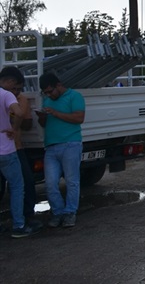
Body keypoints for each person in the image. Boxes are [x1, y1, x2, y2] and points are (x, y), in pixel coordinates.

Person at [37, 72, 85, 228]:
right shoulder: (47, 100)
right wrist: (43, 117)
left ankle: (70, 212)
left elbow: (79, 118)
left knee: (72, 181)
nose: (49, 95)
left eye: (50, 91)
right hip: (51, 146)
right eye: (46, 93)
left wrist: (55, 113)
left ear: (58, 85)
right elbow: (44, 124)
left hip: (71, 144)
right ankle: (57, 212)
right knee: (50, 184)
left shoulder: (74, 96)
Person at [0, 68, 43, 238]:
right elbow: (19, 113)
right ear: (9, 82)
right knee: (18, 187)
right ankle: (19, 225)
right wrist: (13, 128)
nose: (17, 92)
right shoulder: (7, 95)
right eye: (16, 87)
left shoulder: (14, 96)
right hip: (8, 150)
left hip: (11, 150)